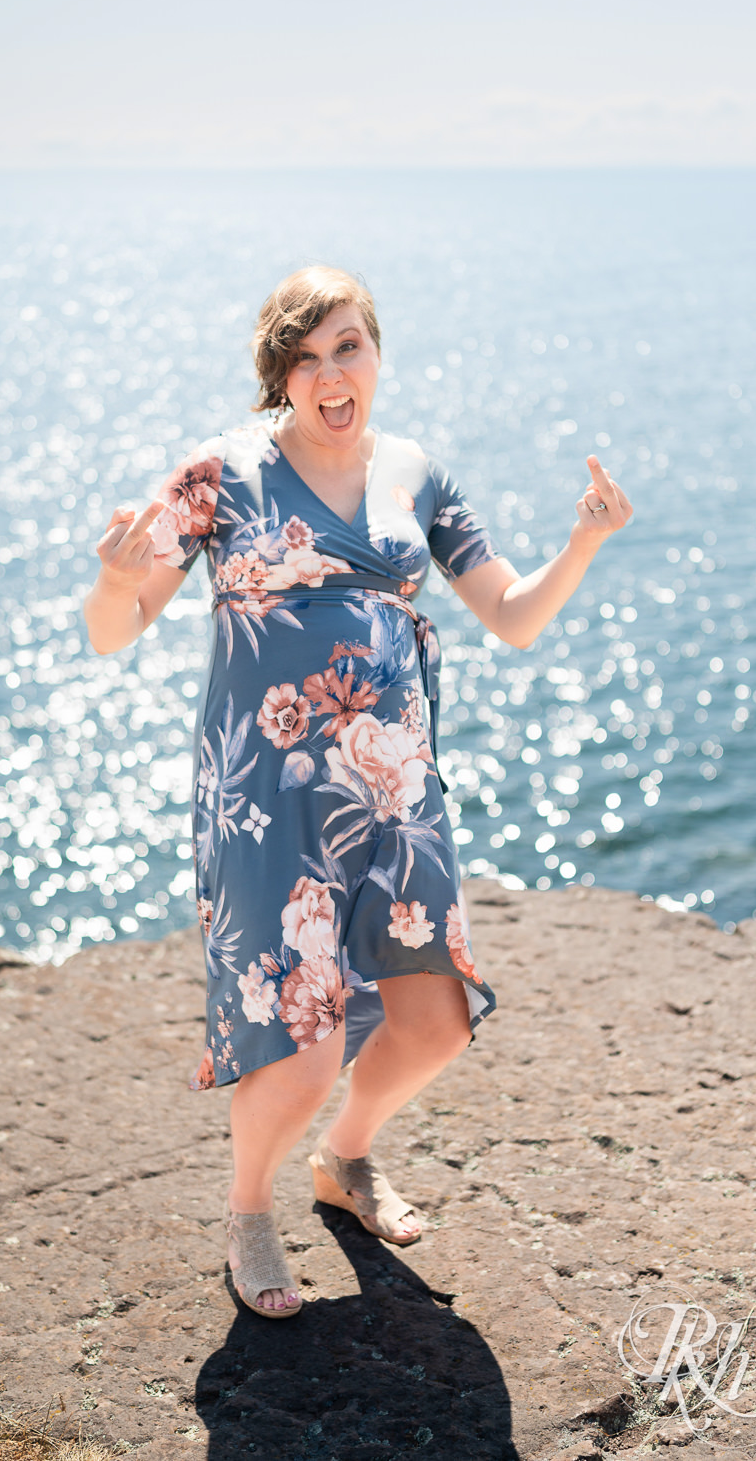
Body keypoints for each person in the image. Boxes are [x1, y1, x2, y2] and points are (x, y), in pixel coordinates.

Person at [84, 265, 632, 1319]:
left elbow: (511, 614)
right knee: (304, 1042)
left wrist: (585, 541)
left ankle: (345, 1160)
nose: (331, 373)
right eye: (306, 357)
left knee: (434, 1024)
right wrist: (114, 578)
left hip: (391, 790)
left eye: (348, 347)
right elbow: (115, 632)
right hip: (266, 797)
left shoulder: (417, 475)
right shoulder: (217, 478)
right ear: (278, 377)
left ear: (375, 353)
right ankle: (249, 1210)